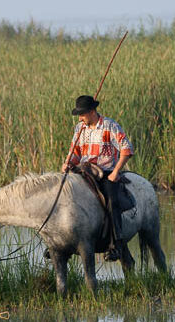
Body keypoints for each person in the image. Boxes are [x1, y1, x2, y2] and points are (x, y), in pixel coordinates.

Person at [62, 95, 134, 261]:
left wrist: (116, 171)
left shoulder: (110, 126)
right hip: (83, 171)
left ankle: (116, 244)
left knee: (111, 201)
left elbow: (126, 149)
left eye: (82, 114)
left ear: (92, 112)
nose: (80, 118)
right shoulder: (80, 128)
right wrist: (67, 164)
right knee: (65, 195)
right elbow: (75, 153)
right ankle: (61, 242)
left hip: (106, 171)